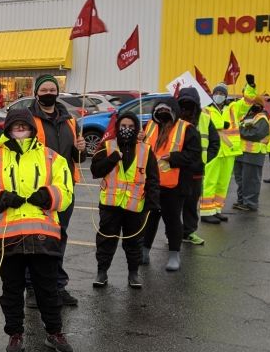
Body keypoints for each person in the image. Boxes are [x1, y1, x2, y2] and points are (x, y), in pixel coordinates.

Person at [0, 109, 74, 352]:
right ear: (7, 129)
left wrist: (49, 195)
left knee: (48, 289)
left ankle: (54, 332)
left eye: (24, 126)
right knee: (12, 290)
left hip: (43, 235)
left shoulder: (52, 158)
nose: (20, 130)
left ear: (32, 128)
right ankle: (15, 334)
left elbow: (66, 189)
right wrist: (1, 197)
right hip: (7, 236)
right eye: (15, 126)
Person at [26, 74, 85, 306]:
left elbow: (77, 157)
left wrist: (81, 149)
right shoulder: (28, 118)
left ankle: (57, 286)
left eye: (53, 89)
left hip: (65, 189)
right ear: (36, 93)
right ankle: (32, 287)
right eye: (44, 90)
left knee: (59, 237)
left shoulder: (70, 120)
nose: (49, 93)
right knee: (36, 239)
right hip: (38, 189)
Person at [90, 111, 159, 289]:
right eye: (123, 126)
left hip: (135, 205)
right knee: (106, 240)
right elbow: (95, 171)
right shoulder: (107, 146)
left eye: (130, 127)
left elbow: (153, 178)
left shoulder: (146, 149)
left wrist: (152, 203)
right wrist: (113, 158)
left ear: (136, 128)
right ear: (117, 127)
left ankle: (133, 274)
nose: (126, 130)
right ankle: (102, 272)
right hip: (110, 205)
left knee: (134, 242)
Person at [140, 98, 200, 271]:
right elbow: (141, 149)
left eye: (166, 111)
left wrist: (173, 158)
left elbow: (194, 155)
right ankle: (144, 251)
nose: (162, 114)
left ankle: (174, 255)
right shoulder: (149, 126)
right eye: (159, 111)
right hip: (151, 183)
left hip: (175, 185)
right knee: (149, 219)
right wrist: (139, 140)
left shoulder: (187, 129)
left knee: (172, 220)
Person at [178, 88, 218, 245]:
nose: (187, 107)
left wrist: (203, 160)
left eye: (190, 102)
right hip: (175, 170)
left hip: (195, 171)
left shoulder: (206, 119)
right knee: (173, 206)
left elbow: (215, 142)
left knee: (191, 203)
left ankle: (188, 232)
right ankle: (173, 233)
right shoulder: (173, 118)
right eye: (183, 103)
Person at [200, 84, 241, 224]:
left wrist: (251, 87)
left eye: (221, 93)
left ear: (226, 96)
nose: (218, 95)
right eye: (216, 92)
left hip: (229, 151)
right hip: (213, 150)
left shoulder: (232, 108)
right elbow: (204, 124)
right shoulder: (206, 109)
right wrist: (222, 124)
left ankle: (216, 209)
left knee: (223, 183)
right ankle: (206, 212)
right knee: (210, 181)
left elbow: (248, 101)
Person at [232, 97, 270, 211]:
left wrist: (239, 131)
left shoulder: (261, 118)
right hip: (241, 153)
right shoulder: (246, 116)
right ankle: (242, 201)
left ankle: (250, 203)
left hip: (254, 154)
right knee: (241, 179)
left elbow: (255, 134)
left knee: (251, 180)